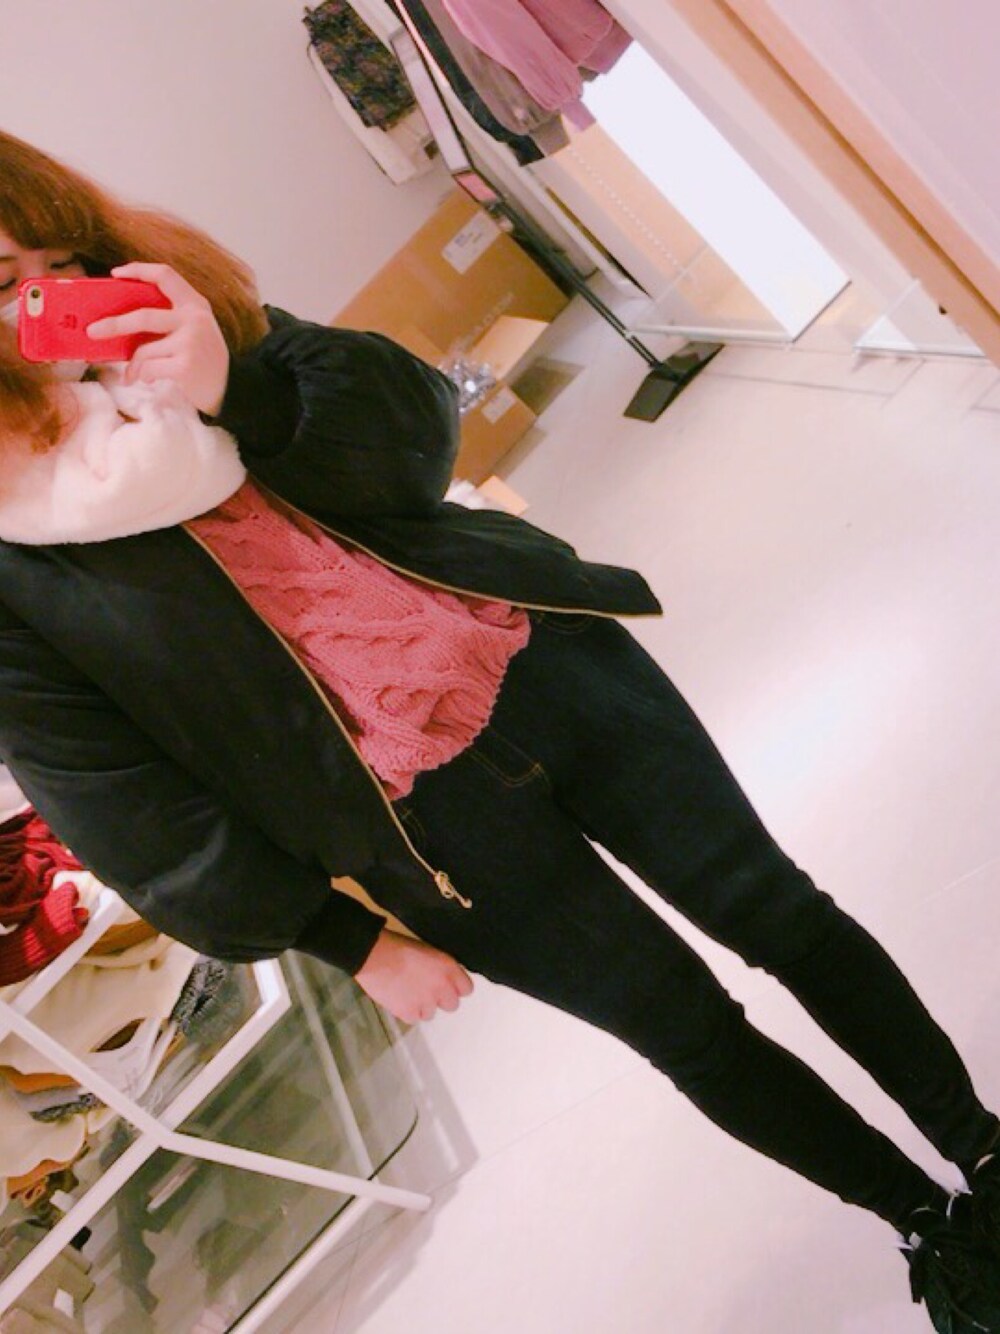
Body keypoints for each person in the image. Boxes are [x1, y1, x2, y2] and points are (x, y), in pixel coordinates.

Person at [0, 129, 997, 1333]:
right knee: (687, 1031)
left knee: (777, 909)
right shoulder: (13, 554)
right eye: (6, 284)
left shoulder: (187, 323)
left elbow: (414, 438)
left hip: (538, 665)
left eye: (58, 255)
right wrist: (345, 940)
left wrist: (236, 383)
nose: (48, 296)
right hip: (424, 828)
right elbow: (129, 808)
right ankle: (922, 1219)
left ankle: (982, 1150)